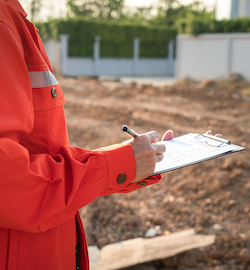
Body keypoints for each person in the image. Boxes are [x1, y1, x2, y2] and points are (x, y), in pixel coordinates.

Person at [0, 0, 174, 269]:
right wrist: (119, 164)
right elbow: (9, 180)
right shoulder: (3, 23)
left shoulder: (13, 18)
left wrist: (128, 159)